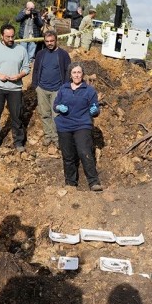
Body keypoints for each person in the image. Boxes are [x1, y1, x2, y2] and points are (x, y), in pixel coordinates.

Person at [53, 62, 102, 191]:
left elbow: (95, 107)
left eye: (79, 72)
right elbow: (55, 105)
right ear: (70, 74)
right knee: (68, 155)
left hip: (82, 125)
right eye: (74, 72)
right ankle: (70, 183)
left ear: (83, 74)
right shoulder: (63, 89)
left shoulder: (89, 90)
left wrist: (94, 110)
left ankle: (93, 182)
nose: (76, 75)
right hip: (64, 126)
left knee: (84, 151)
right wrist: (58, 107)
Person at [0, 23, 30, 153]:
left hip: (15, 88)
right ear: (1, 36)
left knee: (17, 115)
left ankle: (19, 142)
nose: (10, 39)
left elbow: (26, 68)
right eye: (7, 37)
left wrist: (19, 75)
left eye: (12, 36)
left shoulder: (21, 50)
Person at [32, 30, 71, 148]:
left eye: (52, 41)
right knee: (44, 113)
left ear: (56, 40)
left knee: (56, 115)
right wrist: (36, 86)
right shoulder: (40, 54)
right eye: (47, 41)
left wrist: (64, 88)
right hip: (42, 89)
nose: (49, 43)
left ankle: (56, 137)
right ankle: (48, 135)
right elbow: (36, 70)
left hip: (57, 89)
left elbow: (67, 71)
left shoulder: (63, 55)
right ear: (44, 41)